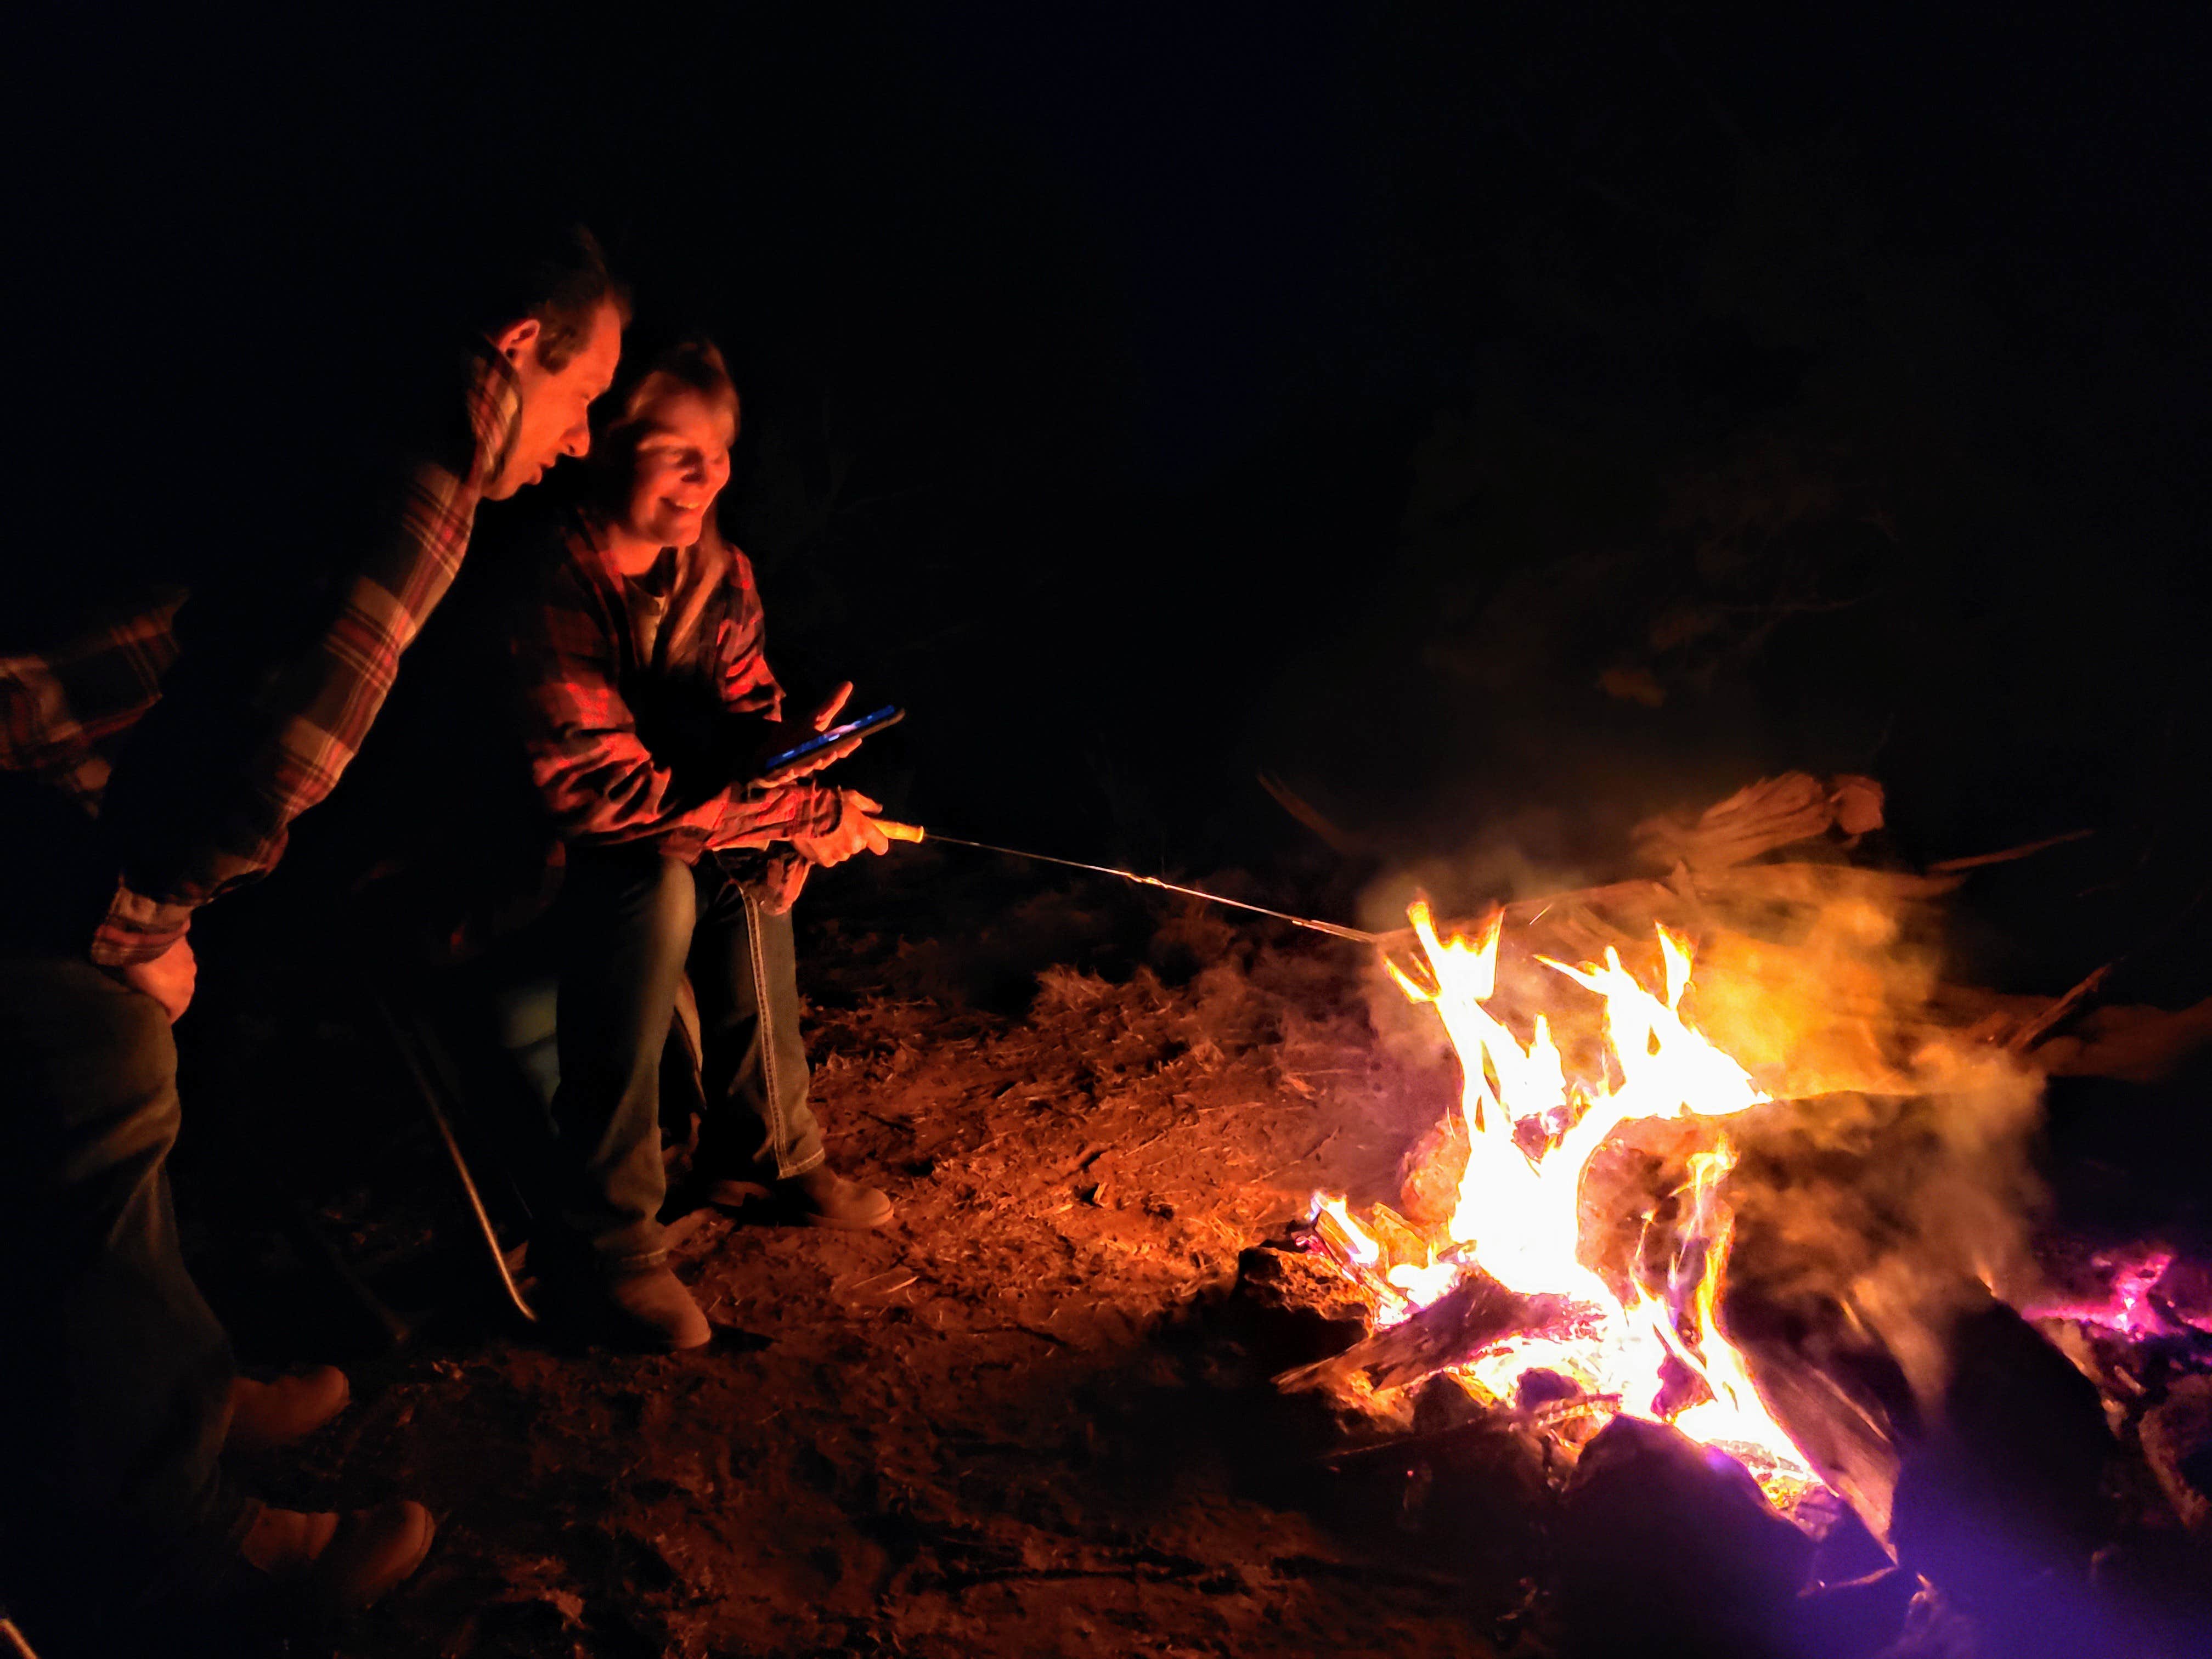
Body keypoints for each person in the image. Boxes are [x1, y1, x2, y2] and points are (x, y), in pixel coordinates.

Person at [0, 225, 627, 1637]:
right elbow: (284, 744)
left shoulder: (333, 387)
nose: (584, 441)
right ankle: (176, 1548)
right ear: (521, 343)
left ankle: (180, 1386)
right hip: (18, 778)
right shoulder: (425, 458)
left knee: (116, 1089)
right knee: (96, 1074)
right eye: (587, 394)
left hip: (44, 777)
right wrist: (136, 924)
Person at [506, 336, 894, 1353]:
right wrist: (796, 811)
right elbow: (597, 795)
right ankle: (605, 1241)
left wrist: (794, 759)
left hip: (645, 841)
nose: (705, 474)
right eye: (674, 448)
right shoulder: (550, 577)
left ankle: (764, 1150)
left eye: (718, 452)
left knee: (744, 871)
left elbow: (741, 726)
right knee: (661, 886)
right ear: (601, 446)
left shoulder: (715, 575)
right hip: (505, 871)